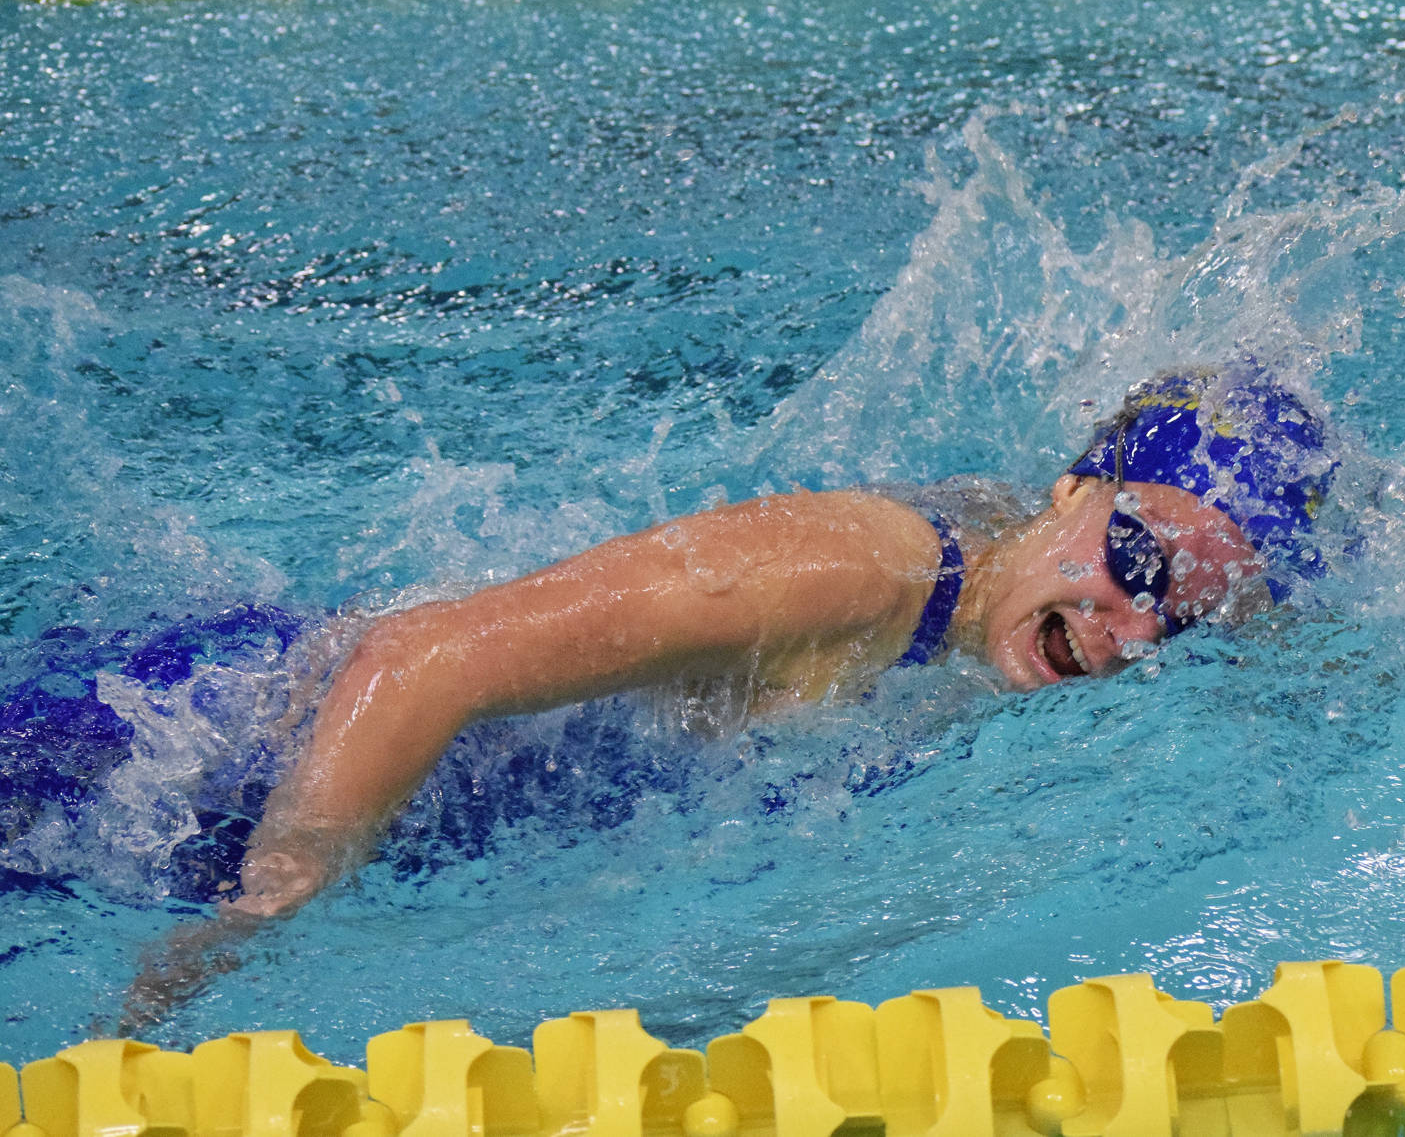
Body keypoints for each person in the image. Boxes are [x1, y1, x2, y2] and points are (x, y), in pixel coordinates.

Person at [118, 361, 1340, 1022]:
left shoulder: (1004, 605)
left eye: (1183, 616)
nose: (1130, 632)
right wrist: (251, 923)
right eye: (1134, 568)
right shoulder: (857, 573)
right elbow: (416, 661)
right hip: (192, 773)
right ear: (1074, 490)